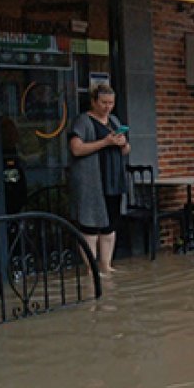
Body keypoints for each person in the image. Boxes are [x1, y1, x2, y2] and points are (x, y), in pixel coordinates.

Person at [68, 84, 130, 276]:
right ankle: (91, 268)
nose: (107, 107)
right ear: (94, 101)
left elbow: (127, 150)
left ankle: (106, 264)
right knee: (90, 225)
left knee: (109, 225)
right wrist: (105, 142)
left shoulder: (113, 120)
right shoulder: (83, 121)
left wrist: (122, 143)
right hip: (91, 181)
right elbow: (76, 149)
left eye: (111, 103)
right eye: (103, 103)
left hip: (113, 179)